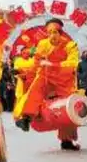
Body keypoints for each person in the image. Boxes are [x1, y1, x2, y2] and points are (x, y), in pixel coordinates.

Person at [13, 18, 81, 151]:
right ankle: (26, 117)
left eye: (55, 32)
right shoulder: (43, 44)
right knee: (36, 88)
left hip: (64, 81)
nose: (52, 35)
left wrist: (52, 64)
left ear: (61, 32)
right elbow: (36, 63)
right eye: (49, 32)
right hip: (47, 76)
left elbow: (73, 63)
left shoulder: (70, 45)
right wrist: (26, 74)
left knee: (67, 108)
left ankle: (66, 140)